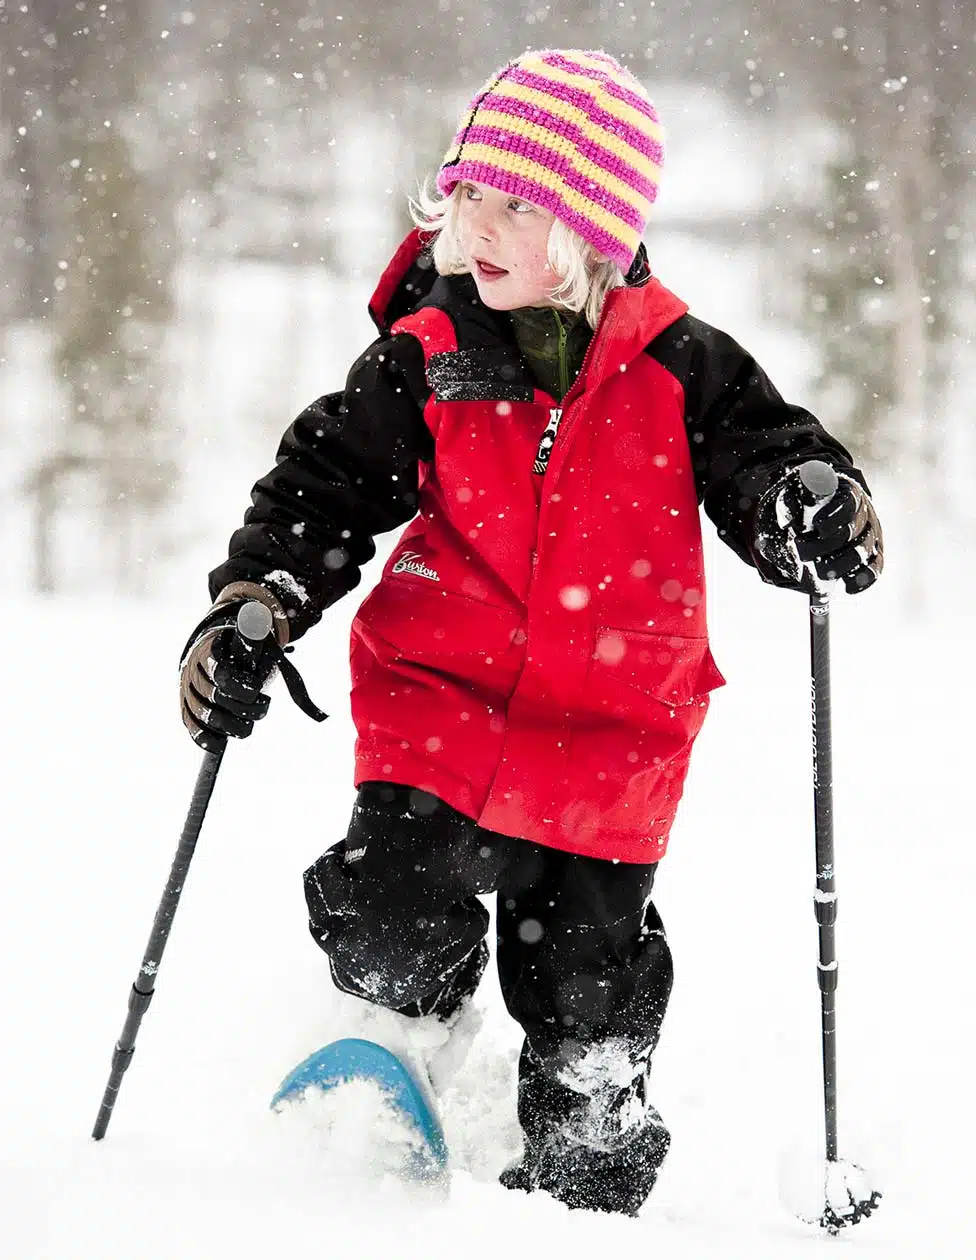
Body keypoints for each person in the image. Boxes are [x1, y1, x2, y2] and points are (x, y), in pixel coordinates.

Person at [179, 49, 883, 1216]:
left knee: (589, 987)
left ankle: (586, 1147)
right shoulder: (430, 352)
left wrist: (808, 503)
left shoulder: (682, 366)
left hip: (612, 733)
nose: (481, 226)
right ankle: (391, 1049)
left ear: (594, 229)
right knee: (392, 896)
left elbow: (768, 459)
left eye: (520, 205)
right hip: (439, 700)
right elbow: (324, 489)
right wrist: (258, 602)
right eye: (469, 195)